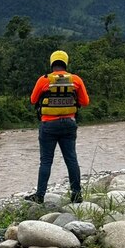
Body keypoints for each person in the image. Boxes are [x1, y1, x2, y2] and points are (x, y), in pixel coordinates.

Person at [26, 50, 90, 204]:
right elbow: (85, 102)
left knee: (46, 161)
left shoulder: (44, 80)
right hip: (69, 124)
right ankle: (76, 194)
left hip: (49, 124)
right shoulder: (75, 80)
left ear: (52, 63)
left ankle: (40, 195)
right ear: (65, 62)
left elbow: (33, 100)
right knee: (71, 159)